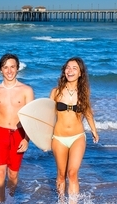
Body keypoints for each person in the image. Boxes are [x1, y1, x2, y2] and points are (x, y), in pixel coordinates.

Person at [0, 53, 34, 203]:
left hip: (19, 134)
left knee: (13, 175)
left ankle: (9, 198)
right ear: (0, 70)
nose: (9, 70)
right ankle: (0, 202)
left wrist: (27, 139)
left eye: (12, 67)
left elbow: (31, 118)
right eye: (5, 67)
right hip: (0, 134)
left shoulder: (26, 90)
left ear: (18, 68)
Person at [49, 57, 99, 203]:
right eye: (68, 67)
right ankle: (61, 201)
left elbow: (88, 111)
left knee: (72, 173)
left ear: (80, 73)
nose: (70, 70)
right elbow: (47, 116)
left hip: (78, 137)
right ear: (64, 71)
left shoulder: (84, 92)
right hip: (58, 138)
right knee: (60, 175)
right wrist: (43, 137)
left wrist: (94, 130)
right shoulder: (56, 92)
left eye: (74, 68)